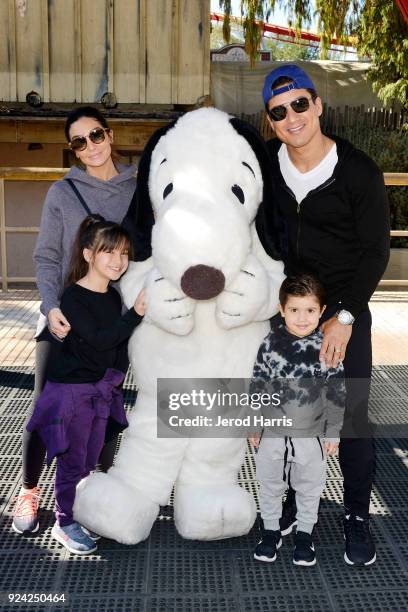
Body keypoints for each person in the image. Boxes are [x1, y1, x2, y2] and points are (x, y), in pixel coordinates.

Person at [256, 64, 390, 566]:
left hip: (342, 313)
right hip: (289, 314)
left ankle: (356, 514)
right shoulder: (266, 163)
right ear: (270, 121)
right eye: (278, 111)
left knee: (349, 417)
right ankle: (292, 501)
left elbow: (376, 251)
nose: (291, 117)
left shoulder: (357, 170)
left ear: (318, 106)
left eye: (299, 105)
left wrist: (346, 316)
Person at [12, 106, 152, 535]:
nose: (89, 147)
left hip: (115, 322)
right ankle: (30, 490)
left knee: (104, 410)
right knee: (46, 409)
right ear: (72, 150)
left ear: (109, 136)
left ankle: (88, 497)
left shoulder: (139, 188)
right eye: (79, 142)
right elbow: (47, 257)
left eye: (95, 136)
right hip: (65, 319)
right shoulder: (62, 191)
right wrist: (50, 306)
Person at [26, 215, 145, 554]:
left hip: (99, 391)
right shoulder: (73, 297)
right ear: (89, 254)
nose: (118, 261)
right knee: (72, 459)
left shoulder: (111, 297)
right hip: (72, 394)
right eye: (109, 252)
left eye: (123, 254)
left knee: (89, 458)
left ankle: (77, 512)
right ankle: (64, 523)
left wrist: (114, 382)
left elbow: (115, 349)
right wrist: (135, 313)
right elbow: (100, 340)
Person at [249, 274, 345, 567]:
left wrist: (333, 433)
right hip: (273, 433)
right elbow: (258, 382)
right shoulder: (270, 343)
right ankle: (270, 530)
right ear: (282, 310)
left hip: (310, 434)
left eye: (310, 310)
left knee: (310, 484)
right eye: (294, 310)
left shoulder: (326, 348)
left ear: (322, 311)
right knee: (268, 482)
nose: (302, 318)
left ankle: (304, 534)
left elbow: (337, 393)